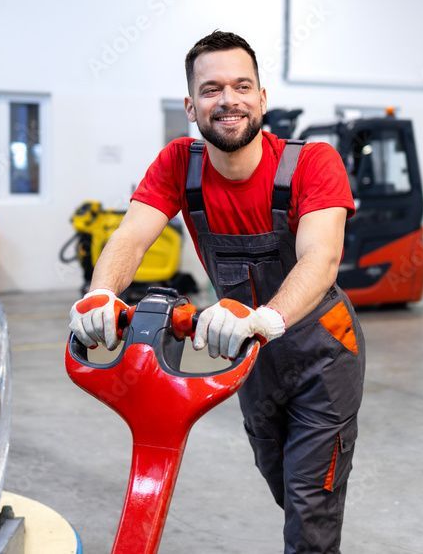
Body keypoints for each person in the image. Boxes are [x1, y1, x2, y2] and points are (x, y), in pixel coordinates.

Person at [69, 30, 365, 553]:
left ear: (262, 98)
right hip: (247, 354)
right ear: (190, 105)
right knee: (284, 482)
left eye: (241, 85)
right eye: (211, 89)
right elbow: (131, 236)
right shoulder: (179, 165)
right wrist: (100, 294)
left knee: (309, 507)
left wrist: (264, 319)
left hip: (322, 354)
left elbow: (320, 258)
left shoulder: (312, 163)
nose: (228, 99)